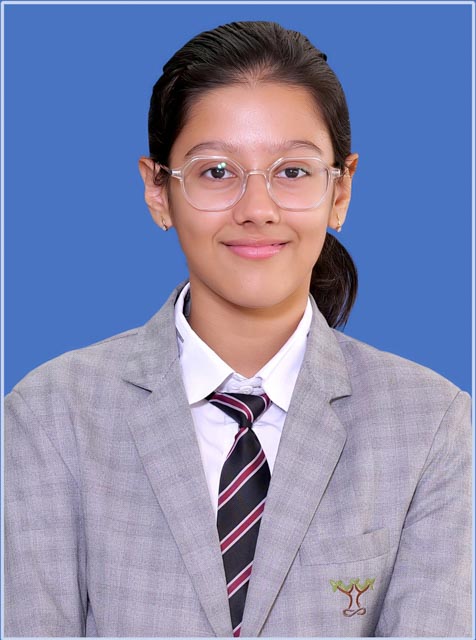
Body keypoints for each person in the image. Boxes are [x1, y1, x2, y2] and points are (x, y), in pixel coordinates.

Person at [4, 20, 471, 638]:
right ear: (158, 191)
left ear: (341, 190)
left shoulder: (431, 425)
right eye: (217, 171)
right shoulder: (52, 414)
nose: (257, 209)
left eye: (294, 172)